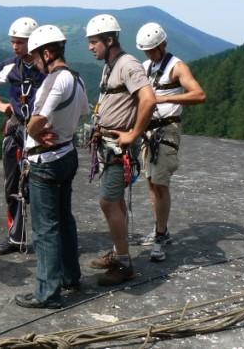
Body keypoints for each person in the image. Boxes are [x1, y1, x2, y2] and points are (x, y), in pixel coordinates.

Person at [14, 25, 89, 309]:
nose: (34, 63)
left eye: (34, 58)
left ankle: (48, 292)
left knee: (45, 229)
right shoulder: (77, 79)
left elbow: (36, 121)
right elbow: (82, 112)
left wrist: (35, 132)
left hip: (46, 161)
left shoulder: (55, 81)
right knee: (65, 220)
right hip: (67, 153)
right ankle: (70, 277)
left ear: (47, 53)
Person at [85, 14, 156, 286]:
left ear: (110, 39)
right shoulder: (110, 65)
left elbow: (148, 99)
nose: (91, 47)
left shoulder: (128, 65)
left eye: (94, 42)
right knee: (116, 202)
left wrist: (134, 133)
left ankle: (124, 264)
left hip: (119, 148)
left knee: (107, 202)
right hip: (108, 145)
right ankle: (118, 252)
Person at [128, 22, 206, 262]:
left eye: (152, 50)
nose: (149, 55)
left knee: (160, 184)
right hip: (149, 131)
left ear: (163, 45)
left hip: (167, 130)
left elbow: (199, 94)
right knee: (152, 182)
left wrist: (160, 99)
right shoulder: (147, 66)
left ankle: (160, 235)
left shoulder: (177, 67)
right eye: (146, 51)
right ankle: (161, 229)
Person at [0, 17, 45, 255]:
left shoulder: (45, 68)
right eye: (13, 42)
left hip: (39, 132)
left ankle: (45, 237)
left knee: (40, 185)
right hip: (17, 128)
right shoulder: (12, 65)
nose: (15, 47)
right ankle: (16, 236)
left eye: (20, 42)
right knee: (12, 185)